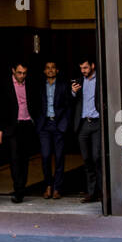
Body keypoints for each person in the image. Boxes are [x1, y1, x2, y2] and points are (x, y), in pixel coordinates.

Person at [0, 61, 38, 203]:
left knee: (24, 159)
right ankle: (18, 190)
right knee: (14, 159)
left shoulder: (30, 84)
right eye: (19, 73)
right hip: (12, 127)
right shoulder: (5, 85)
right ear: (13, 71)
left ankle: (21, 188)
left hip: (27, 125)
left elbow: (35, 102)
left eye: (24, 73)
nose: (22, 76)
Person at [34, 61, 73, 199]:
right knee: (45, 156)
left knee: (59, 157)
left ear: (57, 71)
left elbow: (69, 105)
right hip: (44, 126)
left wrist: (65, 123)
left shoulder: (63, 85)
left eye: (53, 68)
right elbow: (35, 105)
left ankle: (57, 188)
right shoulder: (39, 86)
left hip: (58, 125)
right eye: (48, 68)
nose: (50, 70)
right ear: (44, 71)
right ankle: (48, 186)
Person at [70, 59, 101, 203]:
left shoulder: (100, 80)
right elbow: (70, 102)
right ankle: (91, 192)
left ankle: (102, 191)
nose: (83, 70)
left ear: (92, 66)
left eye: (86, 67)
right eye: (81, 68)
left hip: (97, 123)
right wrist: (73, 93)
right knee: (86, 159)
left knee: (97, 157)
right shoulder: (78, 81)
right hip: (83, 124)